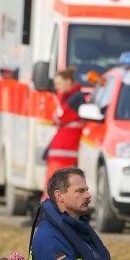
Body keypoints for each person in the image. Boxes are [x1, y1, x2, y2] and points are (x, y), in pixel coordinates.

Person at [43, 66, 85, 198]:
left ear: (68, 81)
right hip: (63, 150)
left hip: (64, 151)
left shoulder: (74, 98)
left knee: (55, 187)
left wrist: (56, 116)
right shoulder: (70, 97)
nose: (57, 88)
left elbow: (59, 117)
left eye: (59, 84)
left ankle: (46, 215)